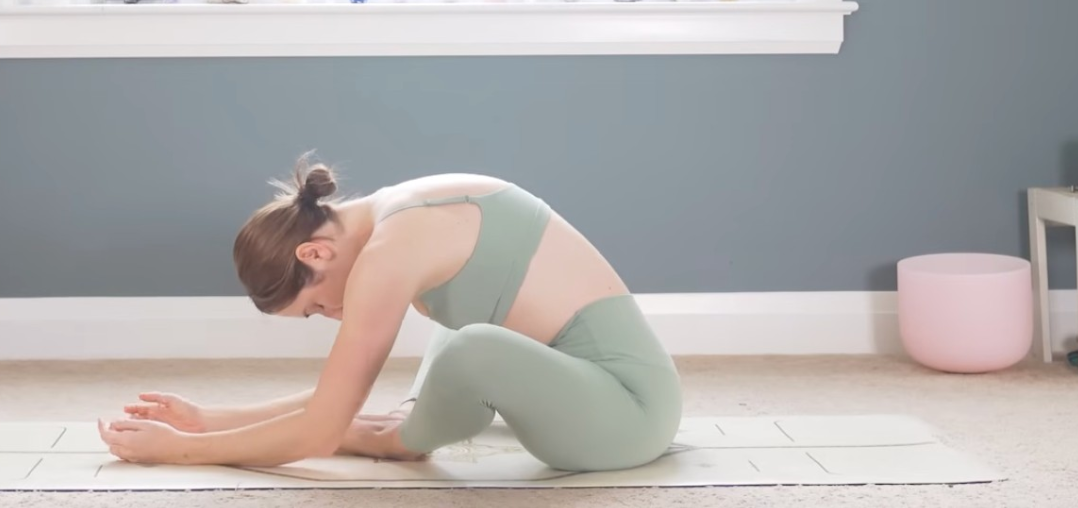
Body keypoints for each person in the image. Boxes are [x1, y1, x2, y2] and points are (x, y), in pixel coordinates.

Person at [97, 157, 681, 471]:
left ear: (315, 253)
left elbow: (323, 426)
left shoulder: (389, 251)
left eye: (317, 305)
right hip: (585, 394)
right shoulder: (400, 209)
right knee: (457, 343)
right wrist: (212, 417)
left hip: (626, 417)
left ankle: (396, 437)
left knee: (469, 344)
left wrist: (180, 449)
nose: (331, 315)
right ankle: (396, 427)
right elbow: (335, 397)